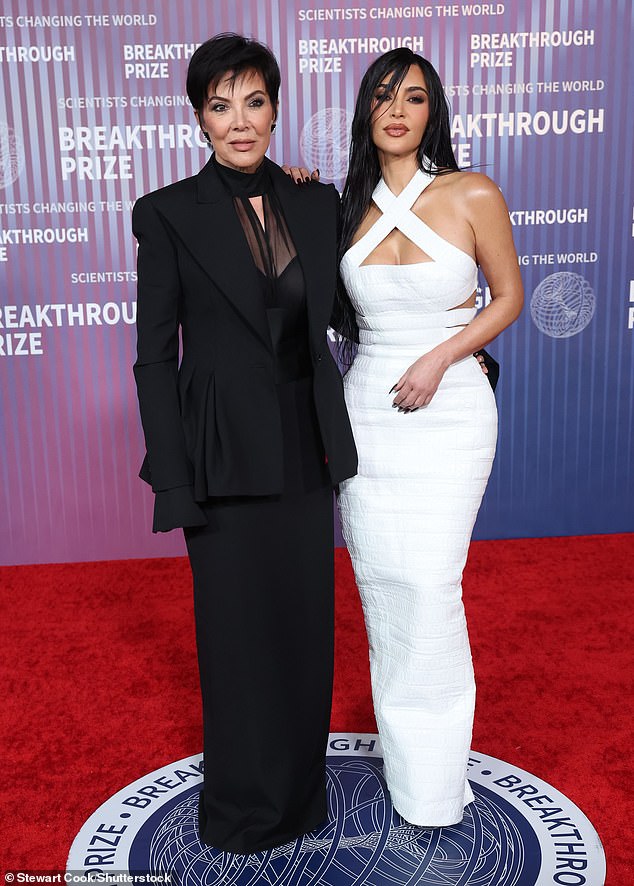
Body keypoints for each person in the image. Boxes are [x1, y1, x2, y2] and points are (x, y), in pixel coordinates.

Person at [132, 33, 357, 854]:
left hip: (305, 450)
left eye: (254, 102)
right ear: (198, 117)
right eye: (220, 105)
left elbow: (352, 305)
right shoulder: (165, 213)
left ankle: (301, 796)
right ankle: (239, 810)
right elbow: (155, 357)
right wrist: (172, 479)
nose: (239, 121)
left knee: (302, 630)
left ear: (274, 109)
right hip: (220, 457)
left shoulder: (315, 201)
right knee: (234, 639)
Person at [334, 48, 523, 827]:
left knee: (433, 585)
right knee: (384, 586)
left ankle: (437, 788)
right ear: (366, 113)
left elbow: (509, 296)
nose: (398, 109)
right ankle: (405, 767)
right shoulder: (346, 206)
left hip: (449, 411)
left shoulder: (471, 190)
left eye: (414, 96)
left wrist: (444, 355)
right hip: (369, 413)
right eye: (384, 96)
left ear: (433, 109)